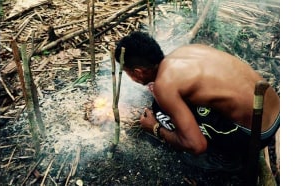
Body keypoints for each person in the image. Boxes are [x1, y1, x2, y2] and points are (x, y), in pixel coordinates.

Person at [114, 31, 280, 161]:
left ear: (138, 72)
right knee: (170, 105)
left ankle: (224, 161)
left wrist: (156, 128)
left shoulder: (165, 87)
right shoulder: (184, 51)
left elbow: (197, 145)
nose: (131, 78)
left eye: (128, 73)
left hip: (257, 133)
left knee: (161, 112)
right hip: (275, 109)